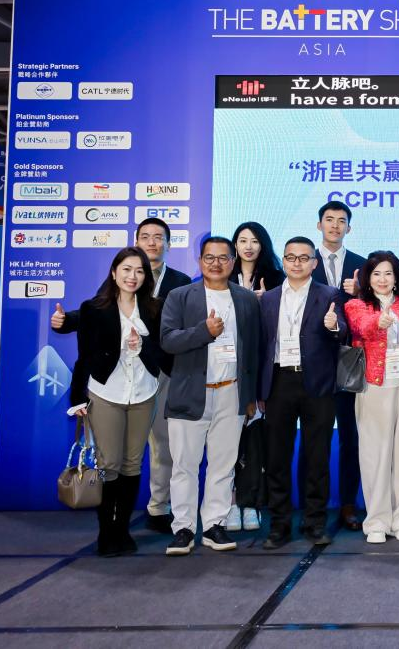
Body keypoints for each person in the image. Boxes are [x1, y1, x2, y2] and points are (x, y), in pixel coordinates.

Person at [51, 217, 189, 535]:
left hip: (155, 378)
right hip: (110, 387)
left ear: (169, 244)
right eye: (146, 236)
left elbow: (176, 331)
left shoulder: (176, 285)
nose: (152, 242)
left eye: (159, 237)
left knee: (153, 451)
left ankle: (152, 511)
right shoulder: (112, 288)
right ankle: (109, 530)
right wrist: (66, 320)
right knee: (110, 462)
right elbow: (96, 317)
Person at [160, 236, 261, 556]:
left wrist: (251, 396)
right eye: (209, 258)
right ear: (199, 260)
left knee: (223, 465)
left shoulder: (246, 299)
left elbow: (254, 350)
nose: (216, 263)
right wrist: (204, 332)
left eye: (223, 258)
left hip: (232, 392)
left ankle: (215, 525)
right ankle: (183, 528)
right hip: (190, 394)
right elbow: (168, 340)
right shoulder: (180, 296)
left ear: (233, 261)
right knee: (184, 466)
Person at [67, 247, 169, 556]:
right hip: (106, 394)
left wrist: (142, 346)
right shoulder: (93, 309)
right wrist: (77, 398)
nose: (132, 276)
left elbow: (165, 355)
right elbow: (84, 357)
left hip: (143, 394)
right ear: (114, 273)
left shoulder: (155, 309)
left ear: (146, 276)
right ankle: (106, 531)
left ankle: (122, 529)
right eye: (126, 269)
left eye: (139, 270)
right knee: (107, 464)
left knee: (132, 464)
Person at [257, 237, 347, 549]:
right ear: (283, 261)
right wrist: (259, 389)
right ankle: (279, 525)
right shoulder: (268, 298)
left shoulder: (329, 294)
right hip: (279, 382)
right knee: (277, 457)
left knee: (317, 457)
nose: (297, 263)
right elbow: (260, 346)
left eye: (304, 258)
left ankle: (314, 522)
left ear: (314, 263)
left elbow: (343, 332)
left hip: (317, 384)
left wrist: (334, 326)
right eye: (291, 257)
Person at [344, 251, 399, 544]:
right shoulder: (356, 304)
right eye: (376, 274)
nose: (382, 279)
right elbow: (360, 327)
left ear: (396, 277)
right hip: (373, 387)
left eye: (388, 273)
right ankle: (376, 520)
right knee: (374, 455)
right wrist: (380, 321)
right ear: (367, 278)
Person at [313, 200, 367, 532]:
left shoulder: (362, 265)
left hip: (350, 360)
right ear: (319, 225)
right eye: (329, 219)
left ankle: (348, 504)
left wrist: (360, 292)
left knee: (351, 437)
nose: (335, 225)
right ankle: (314, 507)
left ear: (349, 227)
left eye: (341, 220)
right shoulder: (305, 260)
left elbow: (375, 307)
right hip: (314, 360)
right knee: (316, 438)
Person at [232, 221, 285, 294]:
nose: (248, 247)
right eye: (243, 241)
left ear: (262, 246)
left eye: (255, 241)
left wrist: (267, 298)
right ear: (235, 245)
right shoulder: (226, 275)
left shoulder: (276, 277)